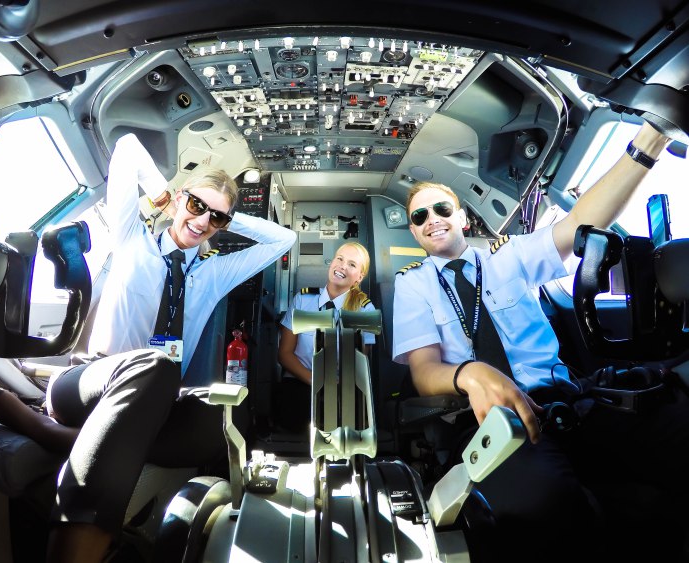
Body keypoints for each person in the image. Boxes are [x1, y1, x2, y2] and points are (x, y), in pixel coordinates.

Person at [0, 132, 296, 563]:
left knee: (224, 416)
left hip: (156, 403)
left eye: (215, 218)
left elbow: (283, 241)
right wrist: (165, 196)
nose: (202, 221)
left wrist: (222, 216)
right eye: (196, 205)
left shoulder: (214, 273)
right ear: (179, 200)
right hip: (87, 382)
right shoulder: (132, 239)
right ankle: (74, 542)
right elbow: (126, 148)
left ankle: (57, 436)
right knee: (155, 366)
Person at [392, 122, 689, 562]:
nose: (431, 219)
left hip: (567, 400)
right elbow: (423, 372)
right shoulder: (411, 285)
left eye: (441, 209)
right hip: (489, 421)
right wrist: (470, 373)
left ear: (463, 217)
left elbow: (579, 222)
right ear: (415, 232)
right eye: (420, 217)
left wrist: (651, 140)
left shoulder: (509, 256)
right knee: (543, 507)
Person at [277, 242, 375, 433]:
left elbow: (359, 362)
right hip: (300, 382)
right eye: (340, 259)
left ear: (359, 277)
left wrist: (333, 386)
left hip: (340, 388)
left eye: (352, 264)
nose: (342, 266)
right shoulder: (302, 300)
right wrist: (315, 381)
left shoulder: (365, 309)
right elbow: (284, 354)